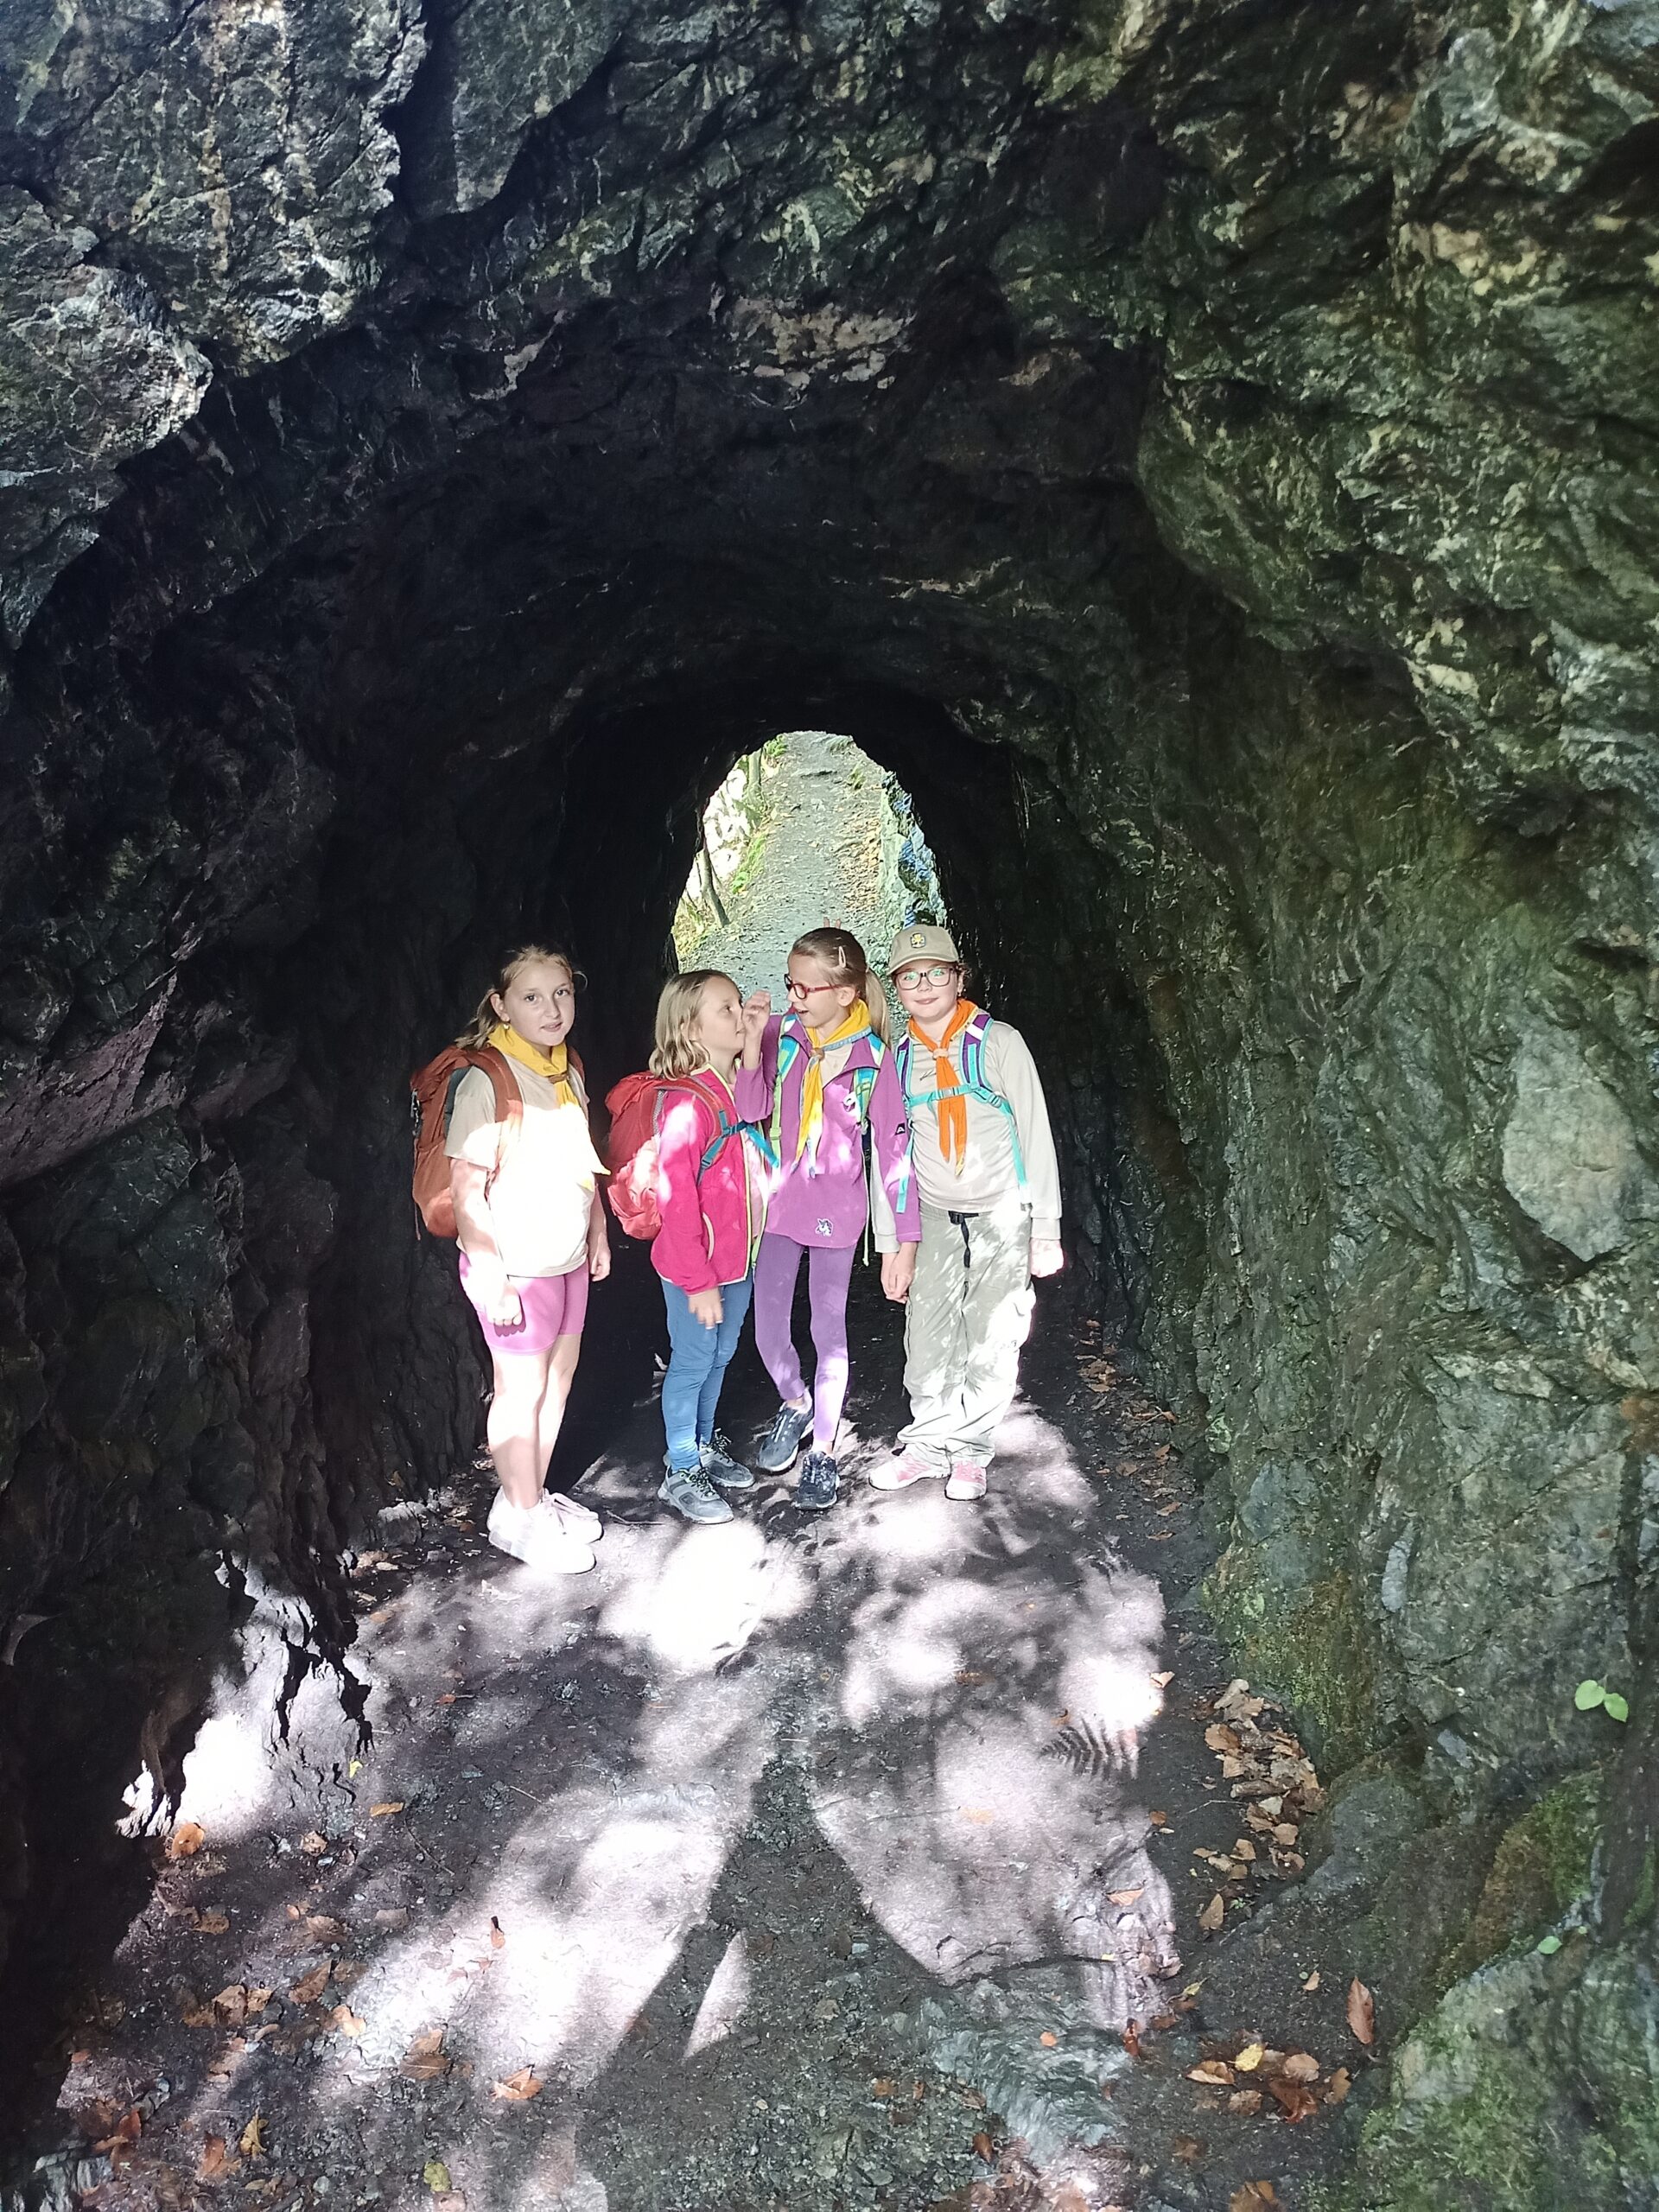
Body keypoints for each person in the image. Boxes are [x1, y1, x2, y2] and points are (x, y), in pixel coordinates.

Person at [869, 924, 1063, 1502]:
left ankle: (971, 1448)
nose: (924, 985)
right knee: (927, 1332)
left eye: (936, 972)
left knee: (993, 1333)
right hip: (933, 1215)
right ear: (897, 989)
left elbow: (1035, 1133)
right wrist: (892, 1244)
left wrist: (1045, 1228)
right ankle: (928, 1445)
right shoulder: (897, 1061)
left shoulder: (999, 1043)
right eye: (910, 977)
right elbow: (890, 1156)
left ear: (959, 977)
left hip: (1003, 1212)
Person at [738, 928, 918, 1510]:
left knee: (827, 1331)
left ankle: (822, 1448)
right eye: (790, 984)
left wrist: (904, 1239)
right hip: (782, 1206)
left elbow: (894, 1152)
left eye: (805, 988)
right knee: (767, 1330)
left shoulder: (874, 1060)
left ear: (844, 993)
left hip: (837, 1214)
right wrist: (751, 1045)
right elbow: (750, 1108)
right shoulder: (782, 1035)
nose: (793, 997)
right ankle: (795, 1402)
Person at [446, 945, 611, 1573]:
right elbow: (466, 1189)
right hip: (516, 1265)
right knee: (521, 1390)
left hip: (566, 1256)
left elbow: (584, 1160)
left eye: (562, 993)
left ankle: (530, 1497)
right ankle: (517, 1518)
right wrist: (492, 1274)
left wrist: (598, 1232)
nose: (552, 1009)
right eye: (532, 997)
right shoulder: (488, 1080)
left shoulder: (567, 1069)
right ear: (501, 1005)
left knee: (558, 1381)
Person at [649, 969, 772, 1527]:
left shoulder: (729, 1089)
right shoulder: (687, 1105)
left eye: (738, 1001)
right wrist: (698, 1283)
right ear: (690, 1030)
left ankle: (700, 1444)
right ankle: (680, 1470)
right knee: (693, 1361)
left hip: (736, 1262)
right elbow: (676, 1203)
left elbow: (756, 1104)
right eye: (727, 1008)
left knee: (720, 1356)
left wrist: (753, 1038)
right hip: (696, 1270)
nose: (740, 1013)